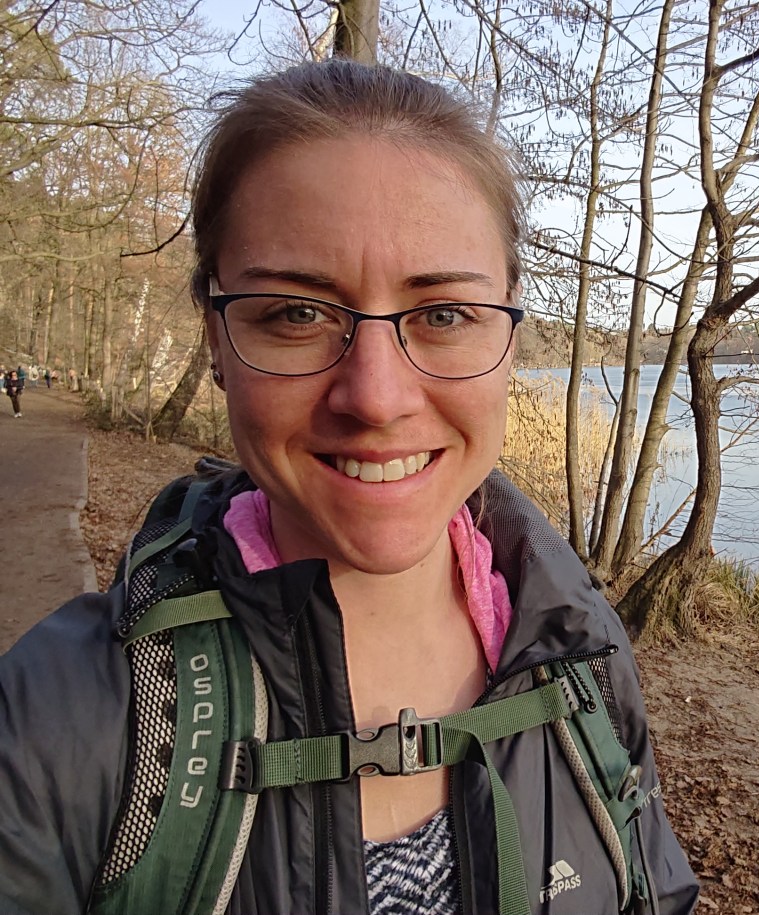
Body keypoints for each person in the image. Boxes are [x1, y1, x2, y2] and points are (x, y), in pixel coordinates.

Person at [0, 60, 698, 915]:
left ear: (509, 332)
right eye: (295, 313)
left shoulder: (581, 652)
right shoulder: (57, 726)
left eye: (442, 315)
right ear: (216, 341)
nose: (375, 396)